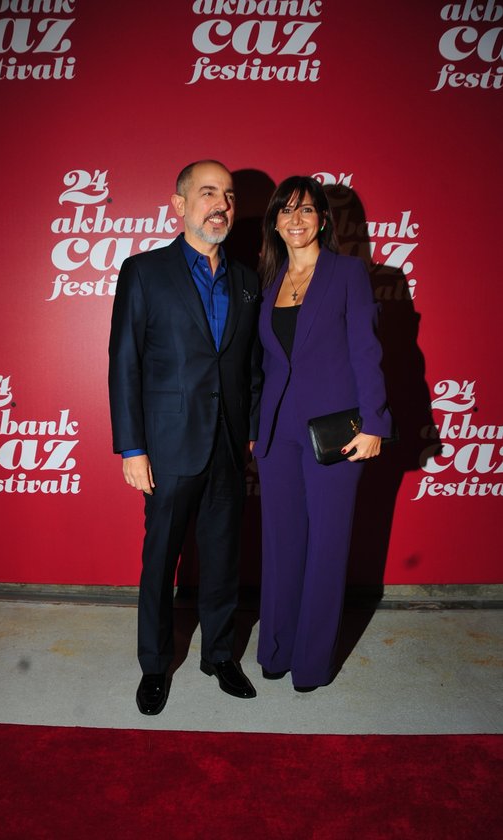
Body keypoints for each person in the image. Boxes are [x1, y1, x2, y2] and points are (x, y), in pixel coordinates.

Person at [108, 160, 262, 715]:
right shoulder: (144, 271)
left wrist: (251, 434)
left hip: (228, 445)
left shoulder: (248, 280)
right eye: (207, 193)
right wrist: (132, 447)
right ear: (179, 205)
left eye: (228, 195)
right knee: (161, 560)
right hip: (168, 445)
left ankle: (219, 654)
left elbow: (251, 366)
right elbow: (124, 362)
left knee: (223, 557)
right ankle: (155, 665)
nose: (220, 204)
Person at [253, 175, 392, 692]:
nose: (296, 220)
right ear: (275, 222)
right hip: (277, 433)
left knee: (327, 546)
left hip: (335, 433)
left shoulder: (347, 273)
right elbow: (265, 365)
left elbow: (366, 350)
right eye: (286, 211)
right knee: (281, 544)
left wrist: (374, 422)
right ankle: (276, 648)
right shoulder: (269, 281)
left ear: (323, 220)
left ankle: (310, 663)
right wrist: (257, 428)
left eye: (306, 210)